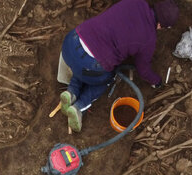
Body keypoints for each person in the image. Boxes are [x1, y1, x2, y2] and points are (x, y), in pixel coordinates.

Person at [56, 0, 180, 132]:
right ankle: (79, 107)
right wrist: (157, 81)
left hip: (71, 41)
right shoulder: (149, 39)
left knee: (83, 64)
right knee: (106, 77)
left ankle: (71, 93)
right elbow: (143, 70)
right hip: (90, 64)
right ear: (160, 25)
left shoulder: (135, 2)